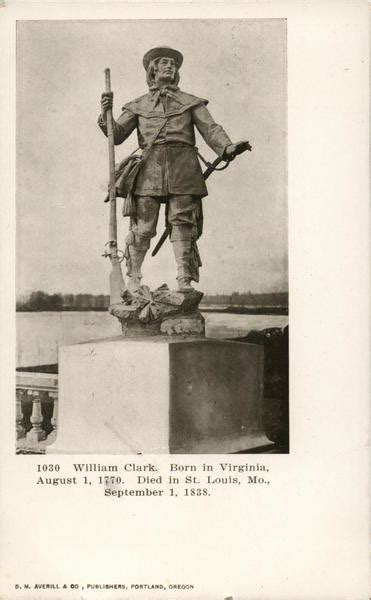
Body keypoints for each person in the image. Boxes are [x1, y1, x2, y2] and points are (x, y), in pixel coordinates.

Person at [99, 46, 245, 292]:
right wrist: (105, 113)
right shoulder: (137, 105)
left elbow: (211, 128)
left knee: (183, 222)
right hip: (149, 168)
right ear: (153, 70)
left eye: (173, 64)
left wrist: (227, 147)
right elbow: (117, 135)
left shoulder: (191, 102)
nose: (170, 66)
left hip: (184, 167)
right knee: (143, 226)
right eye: (164, 62)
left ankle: (184, 280)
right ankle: (133, 279)